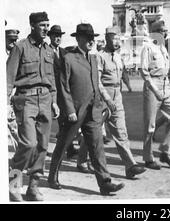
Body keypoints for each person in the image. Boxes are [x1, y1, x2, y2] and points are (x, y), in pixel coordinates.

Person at [47, 23, 124, 195]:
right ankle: (52, 176)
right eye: (88, 38)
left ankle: (105, 183)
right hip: (75, 111)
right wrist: (70, 110)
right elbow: (64, 86)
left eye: (93, 38)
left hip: (93, 112)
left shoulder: (94, 58)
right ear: (79, 39)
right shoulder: (69, 58)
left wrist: (101, 104)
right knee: (63, 144)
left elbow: (96, 84)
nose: (91, 41)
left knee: (97, 147)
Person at [7, 12, 60, 202]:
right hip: (26, 101)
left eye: (47, 24)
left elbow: (51, 79)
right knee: (29, 144)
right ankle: (13, 182)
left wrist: (54, 100)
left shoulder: (48, 50)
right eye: (42, 25)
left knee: (43, 146)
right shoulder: (20, 47)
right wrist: (4, 104)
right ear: (32, 26)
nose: (46, 29)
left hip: (45, 101)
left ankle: (33, 187)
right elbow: (8, 78)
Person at [96, 25, 146, 179]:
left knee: (121, 131)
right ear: (106, 39)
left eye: (119, 38)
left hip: (117, 96)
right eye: (114, 38)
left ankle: (130, 166)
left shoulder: (118, 57)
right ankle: (82, 159)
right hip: (103, 97)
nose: (117, 41)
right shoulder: (99, 57)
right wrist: (107, 98)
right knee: (93, 132)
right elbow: (97, 82)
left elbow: (122, 74)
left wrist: (126, 87)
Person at [140, 20, 170, 170]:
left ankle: (165, 151)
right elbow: (144, 72)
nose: (166, 33)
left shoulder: (163, 48)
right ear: (155, 32)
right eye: (163, 31)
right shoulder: (148, 48)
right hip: (152, 86)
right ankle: (148, 158)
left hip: (165, 84)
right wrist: (155, 90)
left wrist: (167, 88)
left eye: (166, 30)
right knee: (150, 125)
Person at [47, 25, 79, 160]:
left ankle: (68, 148)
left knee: (65, 121)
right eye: (55, 35)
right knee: (53, 122)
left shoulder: (64, 52)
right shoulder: (45, 51)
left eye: (60, 35)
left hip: (63, 91)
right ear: (50, 36)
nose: (58, 37)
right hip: (51, 91)